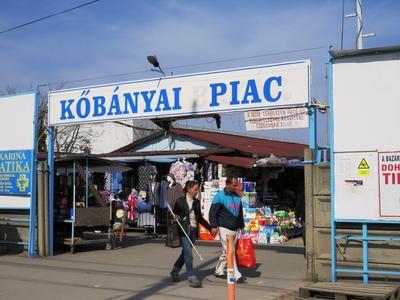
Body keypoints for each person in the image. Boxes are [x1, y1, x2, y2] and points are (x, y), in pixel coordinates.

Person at [169, 180, 212, 288]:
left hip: (193, 231)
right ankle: (192, 278)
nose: (197, 192)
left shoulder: (197, 202)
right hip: (184, 230)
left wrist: (210, 228)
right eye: (195, 189)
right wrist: (174, 216)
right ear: (188, 189)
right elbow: (174, 213)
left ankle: (175, 270)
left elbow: (200, 219)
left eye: (197, 189)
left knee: (185, 254)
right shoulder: (180, 201)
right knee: (189, 255)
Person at [209, 176, 246, 283]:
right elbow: (213, 212)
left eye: (237, 185)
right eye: (234, 185)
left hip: (235, 228)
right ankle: (236, 274)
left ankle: (219, 270)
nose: (236, 187)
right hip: (224, 227)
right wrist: (213, 226)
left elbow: (240, 214)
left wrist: (242, 226)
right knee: (231, 251)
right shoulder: (219, 196)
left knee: (227, 251)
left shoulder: (237, 197)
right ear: (227, 184)